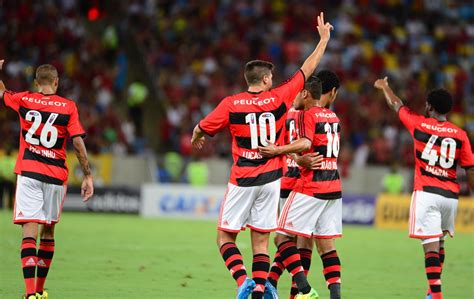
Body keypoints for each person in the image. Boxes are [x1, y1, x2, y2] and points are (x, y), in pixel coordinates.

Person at [191, 12, 333, 299]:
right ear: (266, 79)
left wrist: (197, 136)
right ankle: (257, 291)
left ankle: (243, 281)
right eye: (271, 76)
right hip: (271, 180)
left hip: (243, 178)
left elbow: (201, 127)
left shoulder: (231, 104)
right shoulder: (280, 96)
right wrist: (323, 40)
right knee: (261, 243)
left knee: (224, 238)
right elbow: (307, 68)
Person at [0, 59, 94, 299]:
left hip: (30, 173)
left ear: (35, 83)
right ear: (56, 82)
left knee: (29, 231)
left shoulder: (24, 99)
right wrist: (87, 175)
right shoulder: (68, 107)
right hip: (55, 177)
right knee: (48, 233)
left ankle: (31, 294)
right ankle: (40, 290)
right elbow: (77, 141)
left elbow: (1, 93)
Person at [374, 77, 474, 299]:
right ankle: (431, 292)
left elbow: (397, 105)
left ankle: (436, 295)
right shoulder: (460, 135)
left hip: (427, 192)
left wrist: (385, 87)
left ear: (429, 106)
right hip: (450, 197)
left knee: (430, 247)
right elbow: (470, 169)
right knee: (439, 243)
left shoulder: (419, 124)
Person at [260, 71, 343, 299]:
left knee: (294, 241)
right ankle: (280, 286)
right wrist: (297, 157)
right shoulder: (329, 116)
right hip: (308, 182)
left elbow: (297, 143)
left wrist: (289, 155)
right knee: (303, 242)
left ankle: (283, 287)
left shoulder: (292, 112)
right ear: (332, 92)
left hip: (301, 182)